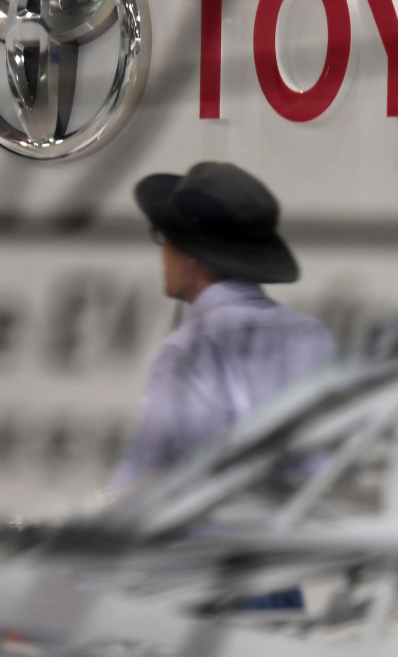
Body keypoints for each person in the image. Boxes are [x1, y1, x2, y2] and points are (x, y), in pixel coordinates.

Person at [112, 161, 335, 488]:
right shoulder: (312, 335)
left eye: (165, 239)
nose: (163, 255)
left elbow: (145, 477)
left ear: (190, 254)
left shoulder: (188, 349)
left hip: (211, 536)